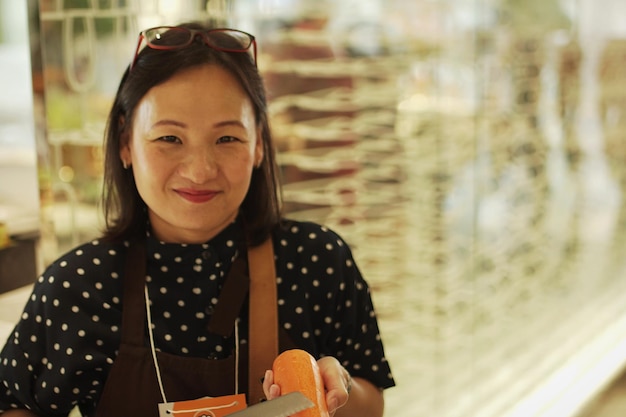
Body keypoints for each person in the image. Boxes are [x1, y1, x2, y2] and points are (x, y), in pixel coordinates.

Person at [0, 22, 395, 416]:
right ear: (126, 144)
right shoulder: (79, 286)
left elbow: (371, 403)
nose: (200, 170)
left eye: (227, 139)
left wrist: (334, 390)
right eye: (169, 138)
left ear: (259, 144)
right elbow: (14, 404)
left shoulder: (317, 260)